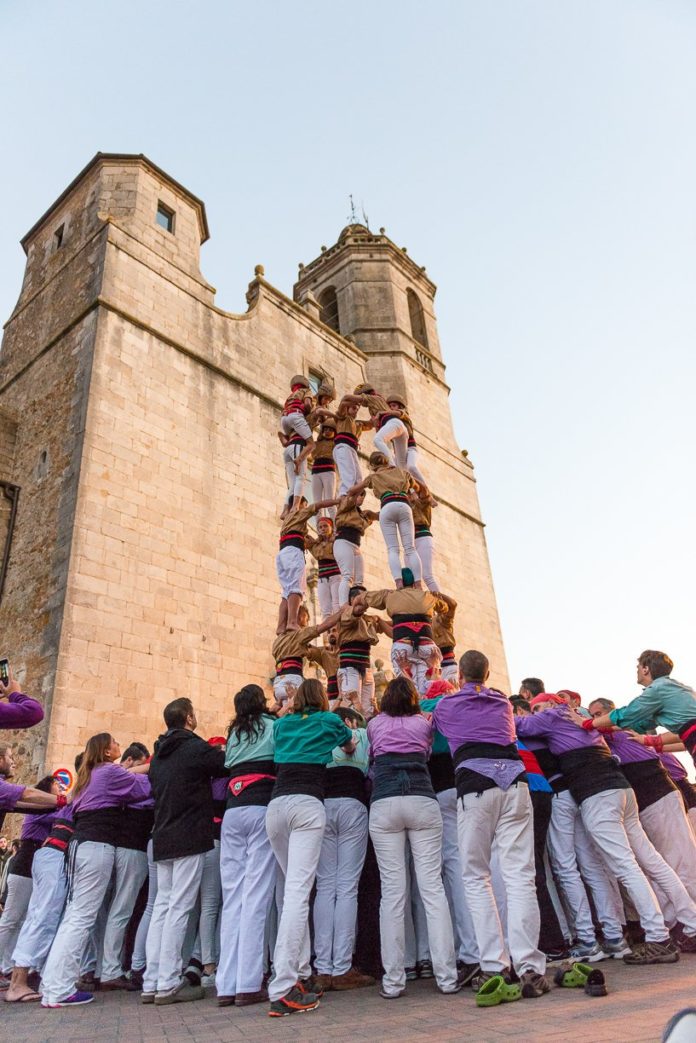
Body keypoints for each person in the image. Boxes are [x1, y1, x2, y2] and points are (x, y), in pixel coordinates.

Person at [518, 696, 696, 964]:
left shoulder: (553, 716)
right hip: (621, 790)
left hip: (597, 796)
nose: (535, 714)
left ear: (550, 705)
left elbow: (514, 724)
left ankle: (658, 937)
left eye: (537, 708)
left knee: (626, 867)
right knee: (651, 861)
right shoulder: (581, 719)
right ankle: (692, 922)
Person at [433, 651, 549, 999]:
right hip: (515, 784)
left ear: (459, 676)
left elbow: (432, 729)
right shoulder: (502, 703)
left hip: (475, 786)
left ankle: (495, 966)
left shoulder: (446, 707)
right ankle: (529, 965)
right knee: (520, 875)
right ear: (489, 672)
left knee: (475, 875)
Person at [265, 678, 355, 1017]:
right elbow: (348, 746)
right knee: (298, 894)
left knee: (293, 891)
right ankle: (284, 986)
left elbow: (280, 738)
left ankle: (300, 972)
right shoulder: (329, 720)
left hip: (276, 808)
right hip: (307, 805)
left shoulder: (283, 723)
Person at [40, 734, 150, 1008]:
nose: (118, 744)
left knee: (76, 916)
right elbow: (143, 787)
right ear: (106, 750)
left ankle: (53, 984)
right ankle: (58, 990)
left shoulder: (89, 775)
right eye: (114, 742)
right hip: (97, 846)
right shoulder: (110, 772)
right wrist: (155, 766)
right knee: (81, 918)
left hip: (82, 843)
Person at [367, 677, 459, 998]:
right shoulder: (424, 724)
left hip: (385, 802)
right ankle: (447, 976)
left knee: (393, 894)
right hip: (423, 799)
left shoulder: (375, 724)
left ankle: (393, 981)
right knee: (432, 889)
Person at [142, 698, 229, 1006]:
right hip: (189, 834)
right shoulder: (194, 747)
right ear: (189, 718)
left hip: (162, 835)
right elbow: (224, 763)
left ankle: (151, 981)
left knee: (163, 908)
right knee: (179, 907)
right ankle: (167, 983)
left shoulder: (159, 755)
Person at [217, 686, 277, 1007]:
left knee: (233, 898)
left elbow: (229, 767)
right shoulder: (271, 726)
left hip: (232, 810)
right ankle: (249, 983)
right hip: (260, 806)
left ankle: (226, 984)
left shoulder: (234, 735)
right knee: (256, 895)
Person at [420, 679, 480, 985]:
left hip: (438, 790)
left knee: (451, 868)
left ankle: (467, 950)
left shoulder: (422, 711)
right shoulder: (459, 705)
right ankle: (476, 946)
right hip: (466, 787)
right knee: (471, 868)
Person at [312, 707, 374, 992]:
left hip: (324, 805)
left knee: (325, 887)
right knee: (347, 887)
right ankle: (342, 966)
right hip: (352, 803)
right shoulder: (360, 734)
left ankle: (322, 966)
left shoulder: (319, 737)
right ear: (349, 722)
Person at [99, 742, 152, 991]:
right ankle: (111, 969)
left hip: (117, 847)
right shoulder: (133, 783)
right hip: (132, 848)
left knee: (111, 910)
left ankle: (103, 967)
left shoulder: (110, 779)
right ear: (131, 761)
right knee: (122, 910)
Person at [0, 776, 61, 986]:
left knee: (20, 919)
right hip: (24, 863)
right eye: (56, 786)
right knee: (11, 918)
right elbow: (57, 814)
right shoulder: (42, 811)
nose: (59, 789)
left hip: (29, 864)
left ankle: (7, 966)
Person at [590, 651, 696, 764]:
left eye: (638, 668)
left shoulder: (657, 689)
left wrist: (588, 724)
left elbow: (627, 714)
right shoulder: (673, 688)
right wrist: (609, 728)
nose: (637, 672)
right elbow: (644, 723)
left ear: (645, 669)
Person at [353, 573, 447, 696]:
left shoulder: (390, 595)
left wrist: (355, 609)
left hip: (403, 646)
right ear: (414, 583)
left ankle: (408, 680)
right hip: (427, 646)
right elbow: (444, 608)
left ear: (399, 583)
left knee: (408, 689)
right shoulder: (427, 596)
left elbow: (360, 598)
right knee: (430, 685)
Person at [347, 452, 422, 585]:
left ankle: (399, 583)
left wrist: (350, 493)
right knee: (410, 548)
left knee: (393, 549)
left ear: (373, 465)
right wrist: (411, 492)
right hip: (404, 505)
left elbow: (353, 490)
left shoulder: (373, 476)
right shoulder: (401, 472)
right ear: (387, 462)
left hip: (387, 506)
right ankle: (418, 583)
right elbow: (416, 487)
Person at [276, 496, 338, 632]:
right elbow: (320, 503)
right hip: (293, 552)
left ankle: (281, 626)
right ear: (300, 504)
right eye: (305, 504)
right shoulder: (299, 512)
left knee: (286, 592)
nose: (306, 507)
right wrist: (337, 501)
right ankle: (292, 622)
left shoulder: (286, 517)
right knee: (296, 589)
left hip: (282, 553)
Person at [333, 490, 378, 606]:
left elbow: (375, 518)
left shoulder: (361, 514)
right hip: (344, 541)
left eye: (363, 496)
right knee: (347, 575)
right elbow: (350, 498)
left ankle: (357, 605)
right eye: (359, 496)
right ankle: (343, 606)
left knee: (359, 580)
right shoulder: (346, 506)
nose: (361, 498)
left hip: (356, 545)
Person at [306, 517, 341, 619]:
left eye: (325, 526)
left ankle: (339, 631)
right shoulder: (316, 544)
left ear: (331, 527)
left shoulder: (337, 541)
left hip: (336, 576)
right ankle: (330, 633)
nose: (322, 529)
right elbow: (305, 538)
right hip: (322, 579)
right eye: (320, 527)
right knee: (325, 610)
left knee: (337, 606)